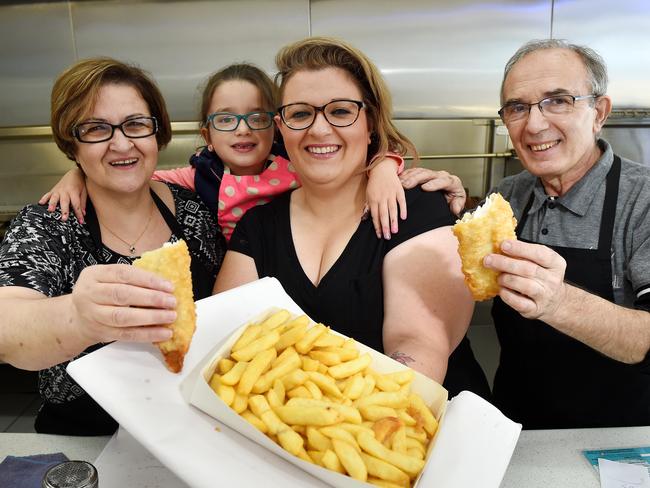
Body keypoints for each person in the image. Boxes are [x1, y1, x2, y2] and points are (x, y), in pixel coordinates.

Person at [214, 36, 483, 390]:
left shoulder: (418, 207)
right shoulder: (258, 226)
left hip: (415, 432)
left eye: (340, 111)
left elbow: (416, 345)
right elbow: (223, 345)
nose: (319, 128)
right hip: (289, 441)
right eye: (300, 113)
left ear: (369, 123)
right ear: (281, 127)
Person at [0, 58, 225, 435]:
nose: (121, 143)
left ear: (157, 133)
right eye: (95, 129)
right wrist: (78, 316)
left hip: (190, 429)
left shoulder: (192, 211)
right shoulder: (47, 223)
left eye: (136, 124)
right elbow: (7, 328)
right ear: (72, 144)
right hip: (85, 437)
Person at [41, 63, 436, 242]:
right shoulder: (197, 177)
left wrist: (384, 168)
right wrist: (77, 172)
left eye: (257, 118)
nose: (243, 129)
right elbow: (131, 172)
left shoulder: (297, 166)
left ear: (277, 125)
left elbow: (355, 164)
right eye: (226, 120)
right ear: (207, 135)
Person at [480, 39, 650, 428]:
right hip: (514, 430)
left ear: (598, 112)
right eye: (518, 107)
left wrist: (559, 303)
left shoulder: (643, 200)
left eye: (558, 100)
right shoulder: (506, 197)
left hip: (614, 441)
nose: (535, 124)